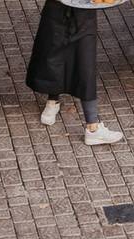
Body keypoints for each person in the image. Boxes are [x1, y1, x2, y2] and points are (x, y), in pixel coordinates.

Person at [26, 1, 124, 146]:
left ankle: (52, 102)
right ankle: (92, 127)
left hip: (62, 8)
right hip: (79, 12)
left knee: (56, 50)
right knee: (83, 62)